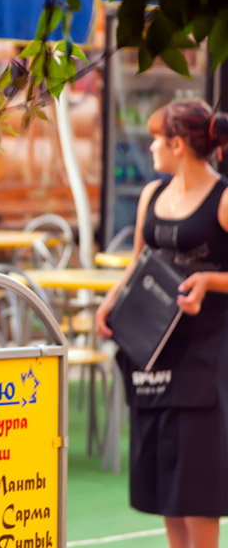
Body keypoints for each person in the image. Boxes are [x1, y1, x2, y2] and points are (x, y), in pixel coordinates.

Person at [96, 98, 228, 548]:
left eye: (157, 138)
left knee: (197, 480)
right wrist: (110, 301)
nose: (151, 146)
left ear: (177, 144)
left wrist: (210, 280)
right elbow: (138, 262)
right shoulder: (153, 195)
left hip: (207, 353)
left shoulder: (224, 198)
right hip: (152, 348)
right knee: (164, 476)